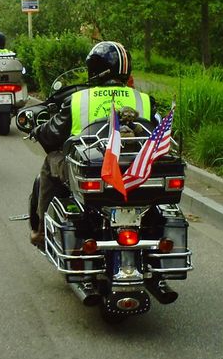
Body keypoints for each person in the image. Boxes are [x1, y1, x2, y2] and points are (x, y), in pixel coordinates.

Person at [30, 41, 155, 247]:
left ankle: (42, 229)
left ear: (95, 69)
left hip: (94, 172)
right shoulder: (144, 100)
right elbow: (155, 132)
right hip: (137, 172)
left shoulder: (79, 99)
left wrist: (38, 131)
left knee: (51, 161)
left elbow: (52, 134)